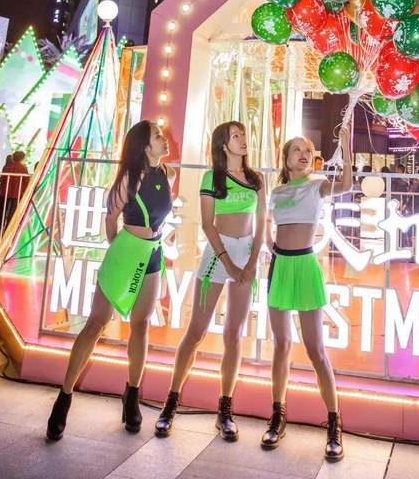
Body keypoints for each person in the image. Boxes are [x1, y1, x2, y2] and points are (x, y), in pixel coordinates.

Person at [46, 120, 173, 441]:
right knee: (96, 323)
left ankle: (132, 394)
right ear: (144, 145)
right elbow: (110, 219)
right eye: (158, 135)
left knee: (141, 325)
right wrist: (121, 249)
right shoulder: (129, 179)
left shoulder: (166, 173)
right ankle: (64, 396)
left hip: (152, 255)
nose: (164, 138)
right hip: (125, 252)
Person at [155, 121, 265, 440]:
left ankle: (225, 409)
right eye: (235, 136)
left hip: (246, 255)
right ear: (223, 145)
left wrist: (251, 263)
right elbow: (207, 224)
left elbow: (262, 223)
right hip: (217, 256)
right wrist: (228, 262)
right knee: (195, 332)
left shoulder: (256, 179)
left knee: (233, 335)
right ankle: (171, 402)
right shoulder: (211, 177)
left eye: (243, 135)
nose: (243, 140)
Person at [261, 126, 352, 462]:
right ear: (285, 158)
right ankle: (278, 416)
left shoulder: (317, 185)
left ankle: (334, 423)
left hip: (305, 265)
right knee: (282, 344)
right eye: (296, 150)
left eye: (307, 150)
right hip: (280, 266)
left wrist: (346, 145)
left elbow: (347, 184)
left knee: (315, 349)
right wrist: (268, 243)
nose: (302, 154)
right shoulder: (277, 191)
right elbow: (268, 225)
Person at [0, 151, 29, 232]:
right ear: (22, 158)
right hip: (17, 192)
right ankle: (8, 227)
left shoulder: (7, 167)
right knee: (13, 210)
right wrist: (24, 191)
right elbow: (26, 181)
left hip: (5, 191)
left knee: (3, 209)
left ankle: (0, 224)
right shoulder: (23, 168)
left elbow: (2, 179)